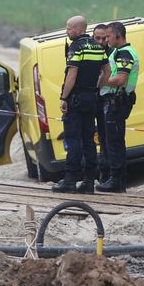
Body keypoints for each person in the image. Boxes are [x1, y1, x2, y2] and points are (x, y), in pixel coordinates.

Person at [52, 15, 110, 194]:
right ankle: (88, 182)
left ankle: (70, 180)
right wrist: (96, 87)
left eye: (69, 28)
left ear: (78, 29)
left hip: (76, 99)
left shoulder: (76, 47)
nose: (67, 31)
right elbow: (106, 71)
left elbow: (72, 75)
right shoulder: (98, 47)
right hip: (91, 98)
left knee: (73, 139)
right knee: (89, 140)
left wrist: (64, 97)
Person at [96, 21, 140, 193]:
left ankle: (116, 180)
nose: (106, 40)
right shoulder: (116, 52)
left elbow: (121, 79)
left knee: (114, 143)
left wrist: (100, 80)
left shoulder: (125, 54)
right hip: (112, 101)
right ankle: (116, 179)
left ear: (117, 36)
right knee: (111, 142)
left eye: (108, 36)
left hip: (117, 102)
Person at [92, 23, 111, 184]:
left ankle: (105, 174)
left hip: (107, 100)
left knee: (107, 140)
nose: (100, 41)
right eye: (97, 38)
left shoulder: (112, 54)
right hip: (92, 100)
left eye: (104, 38)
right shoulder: (89, 53)